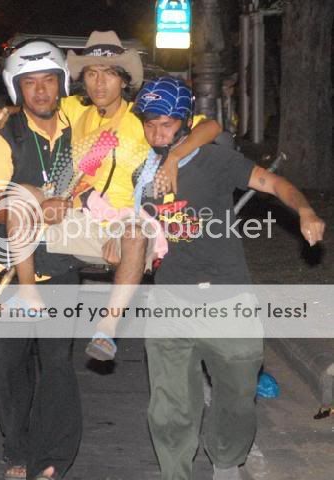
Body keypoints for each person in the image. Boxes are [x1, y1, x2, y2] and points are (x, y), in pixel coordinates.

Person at [0, 31, 222, 362]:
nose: (99, 83)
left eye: (109, 73)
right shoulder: (73, 110)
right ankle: (28, 295)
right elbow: (36, 103)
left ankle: (107, 329)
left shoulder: (143, 118)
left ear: (124, 79)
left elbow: (211, 127)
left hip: (126, 221)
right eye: (92, 73)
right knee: (21, 193)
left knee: (134, 235)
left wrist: (174, 157)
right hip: (79, 213)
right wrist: (4, 112)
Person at [131, 77, 325, 480]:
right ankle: (175, 472)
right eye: (150, 125)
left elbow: (274, 183)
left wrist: (305, 211)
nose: (157, 134)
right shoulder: (140, 173)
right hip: (170, 301)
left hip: (226, 299)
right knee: (168, 406)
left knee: (238, 395)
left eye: (166, 124)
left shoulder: (214, 160)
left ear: (184, 123)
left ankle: (225, 460)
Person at [0, 39, 82, 480]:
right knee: (13, 365)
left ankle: (53, 453)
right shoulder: (2, 138)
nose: (41, 91)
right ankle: (17, 450)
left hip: (60, 265)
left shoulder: (80, 124)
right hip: (9, 271)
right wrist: (30, 208)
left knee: (57, 364)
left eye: (48, 81)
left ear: (61, 83)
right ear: (16, 89)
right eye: (30, 83)